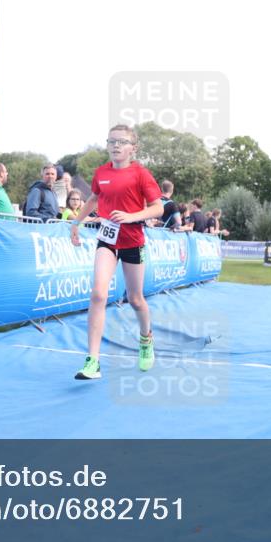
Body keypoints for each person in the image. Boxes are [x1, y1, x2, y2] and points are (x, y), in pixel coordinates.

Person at [69, 124, 164, 380]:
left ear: (134, 148)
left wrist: (132, 216)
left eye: (121, 142)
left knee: (135, 299)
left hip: (133, 240)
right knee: (98, 293)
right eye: (111, 141)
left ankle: (146, 339)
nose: (115, 146)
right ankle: (93, 361)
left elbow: (158, 209)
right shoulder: (101, 172)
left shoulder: (141, 174)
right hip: (107, 240)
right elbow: (92, 200)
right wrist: (76, 223)